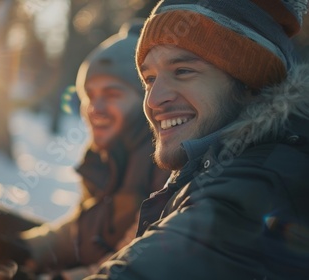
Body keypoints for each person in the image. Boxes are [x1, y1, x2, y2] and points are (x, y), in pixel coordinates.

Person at [85, 1, 309, 279]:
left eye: (183, 71)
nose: (154, 100)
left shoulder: (263, 181)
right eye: (150, 78)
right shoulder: (212, 166)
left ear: (251, 84)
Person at [0, 20, 170, 279]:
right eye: (89, 96)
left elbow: (131, 260)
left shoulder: (163, 164)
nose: (95, 108)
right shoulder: (106, 157)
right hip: (88, 263)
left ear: (147, 99)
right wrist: (27, 248)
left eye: (112, 95)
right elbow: (80, 231)